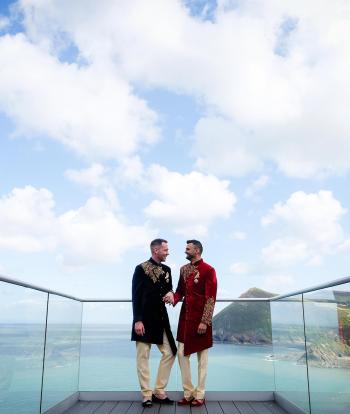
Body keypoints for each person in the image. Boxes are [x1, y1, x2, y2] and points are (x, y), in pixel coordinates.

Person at [164, 240, 217, 407]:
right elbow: (180, 291)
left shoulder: (209, 270)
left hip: (201, 320)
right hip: (185, 319)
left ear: (197, 250)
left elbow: (210, 297)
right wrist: (173, 297)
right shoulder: (184, 269)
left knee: (202, 359)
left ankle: (200, 394)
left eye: (188, 249)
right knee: (181, 354)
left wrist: (205, 321)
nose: (185, 251)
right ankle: (188, 392)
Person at [131, 239, 177, 407]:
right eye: (165, 249)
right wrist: (137, 320)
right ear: (155, 250)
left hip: (161, 318)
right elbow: (135, 295)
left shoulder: (167, 270)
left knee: (171, 352)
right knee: (143, 356)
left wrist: (171, 293)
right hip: (143, 318)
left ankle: (159, 390)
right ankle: (146, 395)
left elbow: (169, 289)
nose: (167, 252)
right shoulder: (141, 268)